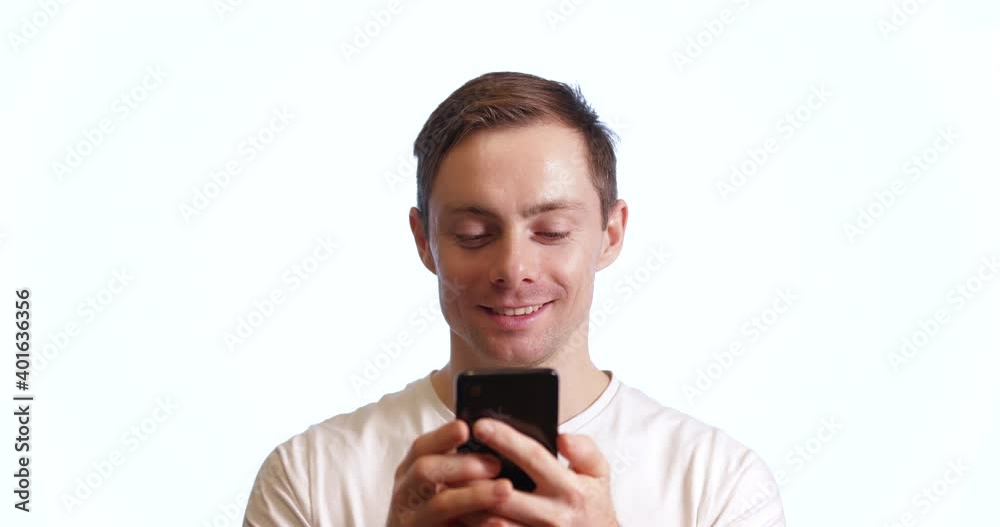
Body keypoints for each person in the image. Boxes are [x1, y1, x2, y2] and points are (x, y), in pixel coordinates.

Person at [242, 71, 787, 526]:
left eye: (551, 231)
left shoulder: (720, 483)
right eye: (475, 234)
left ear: (611, 234)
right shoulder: (311, 476)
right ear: (423, 241)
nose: (513, 270)